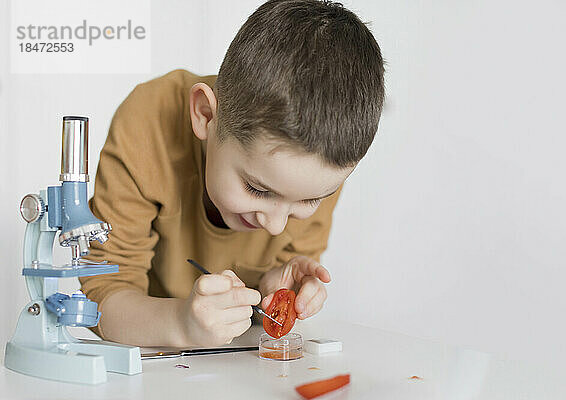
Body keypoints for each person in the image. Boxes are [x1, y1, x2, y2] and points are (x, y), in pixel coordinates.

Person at [81, 0, 385, 348]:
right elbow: (101, 296)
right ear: (205, 115)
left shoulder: (319, 165)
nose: (276, 225)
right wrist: (182, 324)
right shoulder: (148, 123)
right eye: (257, 189)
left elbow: (256, 313)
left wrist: (271, 289)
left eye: (310, 200)